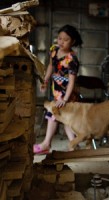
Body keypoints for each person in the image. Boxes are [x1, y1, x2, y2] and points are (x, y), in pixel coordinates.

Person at [34, 24, 83, 154]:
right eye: (60, 38)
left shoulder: (72, 59)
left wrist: (65, 99)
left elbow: (72, 82)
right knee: (60, 117)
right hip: (56, 92)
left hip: (67, 94)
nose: (61, 41)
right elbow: (51, 66)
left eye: (66, 39)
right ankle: (73, 145)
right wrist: (45, 80)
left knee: (57, 116)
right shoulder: (54, 50)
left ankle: (48, 144)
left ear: (73, 41)